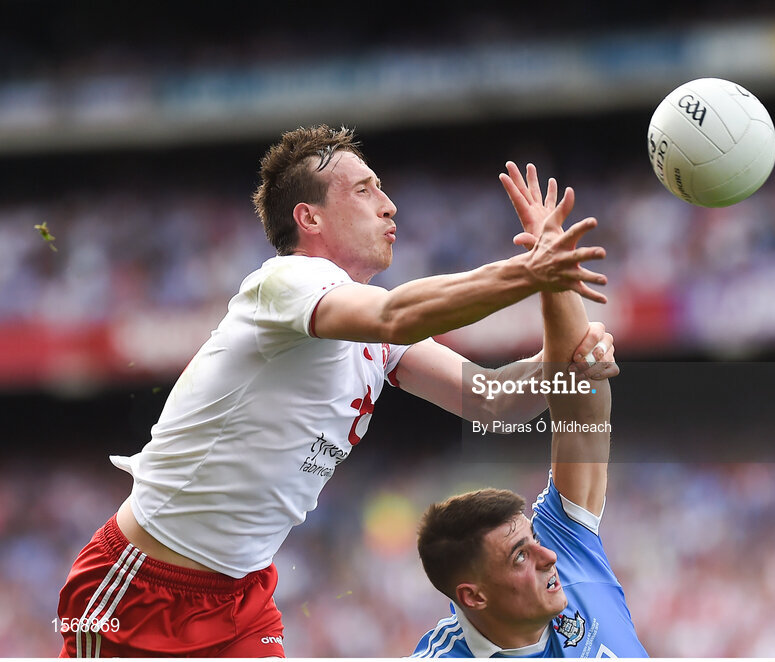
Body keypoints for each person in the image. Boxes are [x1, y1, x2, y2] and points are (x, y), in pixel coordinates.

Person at [55, 125, 618, 658]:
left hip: (241, 596)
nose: (389, 204)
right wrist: (529, 270)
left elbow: (493, 399)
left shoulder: (374, 334)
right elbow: (397, 314)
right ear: (310, 217)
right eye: (365, 188)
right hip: (142, 586)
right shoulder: (286, 281)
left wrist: (571, 363)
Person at [412, 167, 647, 657]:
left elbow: (580, 405)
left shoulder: (566, 545)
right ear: (473, 596)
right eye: (521, 555)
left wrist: (552, 265)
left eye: (531, 540)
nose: (548, 556)